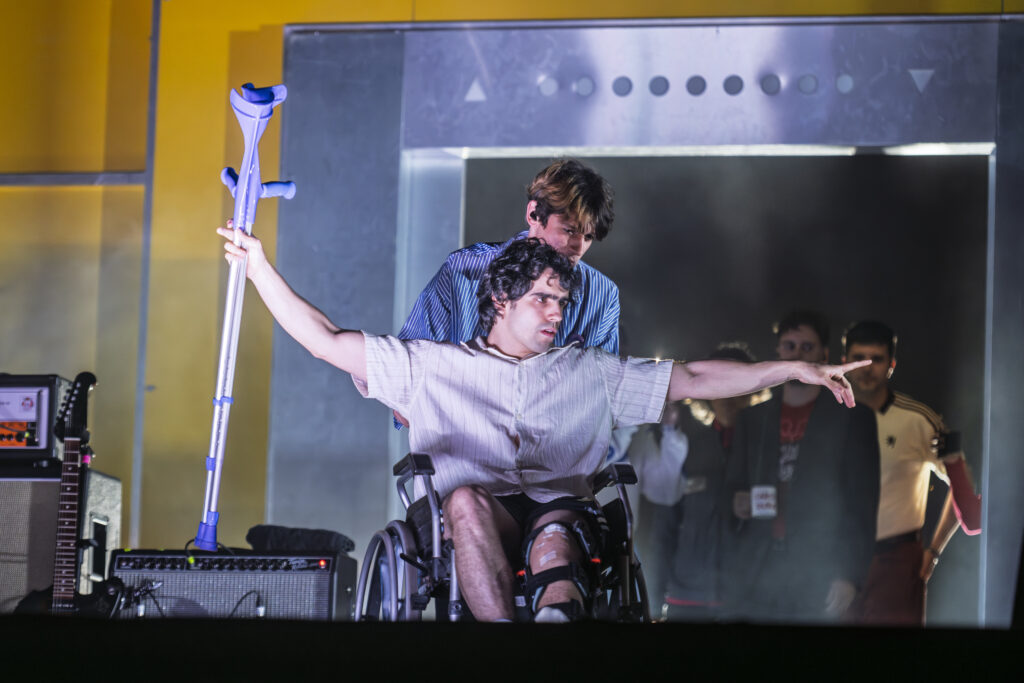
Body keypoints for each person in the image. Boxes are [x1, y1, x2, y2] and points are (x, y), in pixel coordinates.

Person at [218, 228, 869, 622]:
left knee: (555, 535)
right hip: (474, 512)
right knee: (465, 501)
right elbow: (327, 341)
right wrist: (259, 269)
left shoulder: (589, 370)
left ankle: (557, 624)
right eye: (543, 299)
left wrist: (794, 371)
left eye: (562, 301)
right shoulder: (432, 365)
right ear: (501, 299)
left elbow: (695, 378)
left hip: (561, 510)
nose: (557, 312)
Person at [723, 311, 880, 624]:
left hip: (819, 566)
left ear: (824, 355)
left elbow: (862, 504)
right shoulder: (753, 419)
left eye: (807, 347)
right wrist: (736, 502)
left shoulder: (852, 418)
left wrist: (849, 574)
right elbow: (731, 486)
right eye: (789, 346)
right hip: (756, 568)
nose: (797, 355)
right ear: (778, 352)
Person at [399, 157, 620, 352]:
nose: (579, 248)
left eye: (588, 237)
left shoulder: (602, 295)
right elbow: (411, 363)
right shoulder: (462, 271)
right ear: (534, 214)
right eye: (569, 231)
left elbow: (603, 382)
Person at [842, 320, 979, 626]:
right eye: (858, 358)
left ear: (891, 365)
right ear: (844, 362)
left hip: (897, 559)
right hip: (835, 555)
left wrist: (934, 550)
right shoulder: (828, 418)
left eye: (876, 359)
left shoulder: (917, 419)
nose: (866, 368)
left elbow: (962, 488)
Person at [630, 342, 766, 622]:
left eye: (737, 386)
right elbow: (663, 528)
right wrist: (653, 600)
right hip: (687, 596)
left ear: (753, 390)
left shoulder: (766, 450)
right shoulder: (685, 447)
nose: (728, 396)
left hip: (749, 596)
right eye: (720, 385)